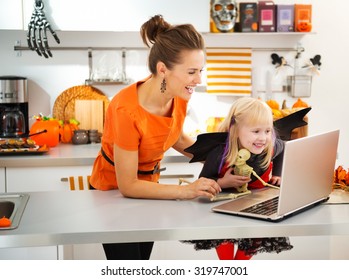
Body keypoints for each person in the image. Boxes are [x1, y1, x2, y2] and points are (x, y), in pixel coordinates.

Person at [89, 15, 221, 260]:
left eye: (200, 71)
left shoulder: (179, 94)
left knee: (142, 264)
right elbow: (127, 185)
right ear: (163, 69)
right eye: (192, 71)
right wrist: (187, 190)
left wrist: (220, 160)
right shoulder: (126, 109)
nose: (198, 80)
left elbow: (176, 138)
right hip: (113, 193)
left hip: (149, 188)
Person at [182, 97, 293, 260]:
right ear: (235, 130)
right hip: (223, 211)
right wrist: (222, 183)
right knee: (227, 263)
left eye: (267, 131)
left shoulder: (270, 147)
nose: (263, 138)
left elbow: (283, 148)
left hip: (256, 208)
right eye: (256, 131)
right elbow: (202, 183)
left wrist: (278, 174)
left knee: (243, 259)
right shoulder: (220, 153)